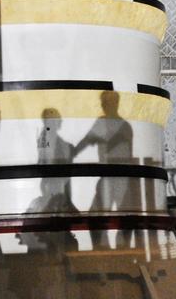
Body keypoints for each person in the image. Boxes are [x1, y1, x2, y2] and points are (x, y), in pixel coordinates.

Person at [73, 91, 137, 248]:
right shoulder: (105, 123)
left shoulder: (123, 126)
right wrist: (72, 152)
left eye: (105, 102)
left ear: (114, 103)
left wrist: (74, 151)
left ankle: (121, 248)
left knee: (123, 215)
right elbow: (87, 140)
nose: (103, 106)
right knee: (99, 215)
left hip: (120, 176)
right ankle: (103, 246)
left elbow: (112, 142)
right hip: (109, 176)